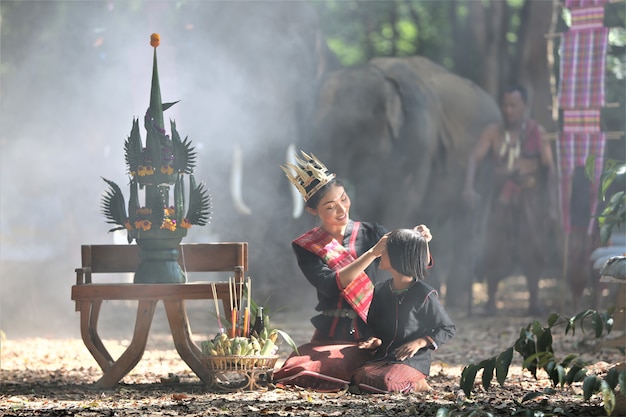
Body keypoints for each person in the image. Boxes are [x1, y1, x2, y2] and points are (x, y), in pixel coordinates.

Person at [273, 151, 432, 392]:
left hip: (374, 330)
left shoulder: (370, 232)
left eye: (344, 199)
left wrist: (422, 241)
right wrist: (372, 254)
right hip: (332, 333)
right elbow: (329, 284)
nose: (341, 210)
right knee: (298, 369)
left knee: (381, 377)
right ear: (312, 211)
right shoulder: (307, 246)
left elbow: (410, 262)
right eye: (330, 206)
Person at [463, 85, 558, 316]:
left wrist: (553, 205)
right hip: (501, 200)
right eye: (505, 105)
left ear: (524, 106)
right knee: (494, 246)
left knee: (533, 247)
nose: (508, 110)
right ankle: (490, 302)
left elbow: (550, 170)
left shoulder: (537, 131)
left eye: (513, 105)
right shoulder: (493, 132)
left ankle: (534, 301)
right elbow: (474, 159)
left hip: (529, 199)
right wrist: (468, 187)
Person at [353, 228, 456, 393]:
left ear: (399, 256)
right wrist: (373, 339)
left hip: (411, 360)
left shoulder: (424, 294)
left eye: (385, 251)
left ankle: (418, 383)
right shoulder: (380, 290)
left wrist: (421, 342)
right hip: (384, 356)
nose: (380, 254)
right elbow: (370, 324)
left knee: (387, 382)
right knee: (360, 377)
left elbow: (447, 328)